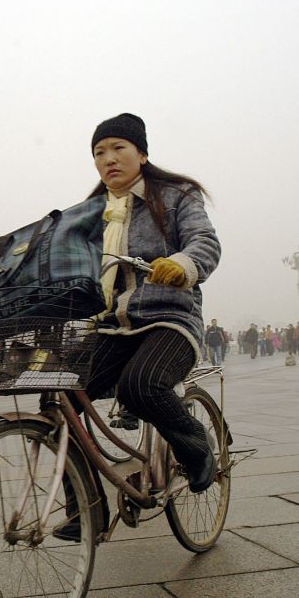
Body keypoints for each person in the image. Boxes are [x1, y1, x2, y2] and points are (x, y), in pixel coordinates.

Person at [81, 113, 221, 496]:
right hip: (113, 324)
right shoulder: (91, 212)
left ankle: (194, 444)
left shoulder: (176, 197)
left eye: (118, 148)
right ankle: (83, 505)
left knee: (141, 385)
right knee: (57, 396)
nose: (108, 158)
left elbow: (204, 242)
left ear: (141, 154)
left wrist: (182, 264)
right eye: (98, 152)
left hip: (169, 319)